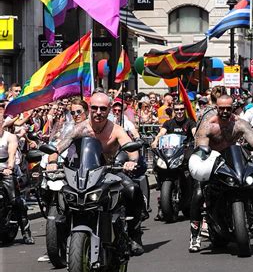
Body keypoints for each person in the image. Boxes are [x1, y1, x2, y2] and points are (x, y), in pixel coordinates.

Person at [46, 92, 146, 256]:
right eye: (94, 108)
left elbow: (131, 148)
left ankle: (134, 234)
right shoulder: (81, 128)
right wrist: (51, 162)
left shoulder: (116, 130)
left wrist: (131, 161)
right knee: (63, 194)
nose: (98, 112)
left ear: (109, 110)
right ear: (90, 108)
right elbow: (59, 146)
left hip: (109, 171)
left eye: (102, 108)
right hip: (84, 172)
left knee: (132, 190)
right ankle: (60, 235)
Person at [187, 95, 253, 252]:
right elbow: (201, 147)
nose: (225, 111)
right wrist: (203, 153)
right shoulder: (208, 126)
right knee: (199, 194)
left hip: (233, 162)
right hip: (212, 164)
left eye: (228, 108)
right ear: (216, 107)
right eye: (222, 108)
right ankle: (195, 236)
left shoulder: (239, 123)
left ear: (232, 107)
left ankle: (252, 219)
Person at [0, 111, 34, 244]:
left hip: (6, 170)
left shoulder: (10, 137)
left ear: (3, 122)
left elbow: (12, 154)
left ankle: (26, 232)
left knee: (16, 201)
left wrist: (9, 167)